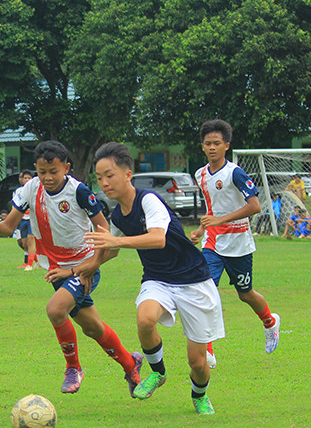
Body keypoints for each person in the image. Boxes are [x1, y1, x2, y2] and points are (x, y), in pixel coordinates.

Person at [0, 140, 142, 396]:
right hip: (57, 270)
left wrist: (88, 267)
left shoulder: (78, 192)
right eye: (42, 172)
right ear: (36, 169)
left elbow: (105, 231)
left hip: (84, 266)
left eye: (53, 171)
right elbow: (8, 227)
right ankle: (131, 364)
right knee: (93, 328)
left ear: (66, 168)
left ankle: (73, 368)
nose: (48, 177)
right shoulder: (30, 189)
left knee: (55, 310)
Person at [86, 142, 224, 414]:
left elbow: (157, 238)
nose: (104, 183)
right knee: (145, 318)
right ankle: (158, 373)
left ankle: (199, 395)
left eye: (109, 175)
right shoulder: (118, 216)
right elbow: (111, 250)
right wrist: (86, 267)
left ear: (128, 174)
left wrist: (115, 240)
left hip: (193, 280)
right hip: (157, 279)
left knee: (197, 362)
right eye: (99, 178)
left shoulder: (148, 200)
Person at [190, 120, 280, 368]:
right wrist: (201, 229)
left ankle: (270, 322)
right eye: (207, 143)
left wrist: (221, 219)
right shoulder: (200, 174)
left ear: (226, 146)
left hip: (238, 242)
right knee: (205, 292)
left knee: (245, 294)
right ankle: (207, 350)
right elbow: (211, 209)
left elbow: (255, 206)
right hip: (212, 242)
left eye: (217, 143)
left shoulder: (235, 173)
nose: (212, 148)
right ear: (202, 146)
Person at [11, 169, 38, 270]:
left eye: (29, 178)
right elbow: (15, 205)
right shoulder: (18, 191)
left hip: (32, 218)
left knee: (30, 239)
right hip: (22, 218)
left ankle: (29, 265)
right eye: (25, 178)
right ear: (21, 180)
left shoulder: (34, 190)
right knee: (23, 242)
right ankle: (36, 260)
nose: (27, 180)